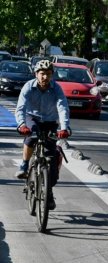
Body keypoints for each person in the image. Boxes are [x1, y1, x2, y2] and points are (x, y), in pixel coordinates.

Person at [15, 59, 71, 210]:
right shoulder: (28, 87)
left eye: (48, 74)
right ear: (36, 74)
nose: (45, 77)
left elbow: (63, 107)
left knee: (51, 162)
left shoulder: (56, 89)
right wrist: (21, 125)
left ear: (52, 75)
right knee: (32, 136)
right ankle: (25, 165)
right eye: (42, 74)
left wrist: (64, 127)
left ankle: (49, 193)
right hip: (31, 118)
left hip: (50, 122)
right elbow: (20, 108)